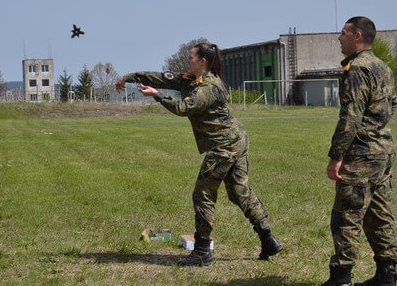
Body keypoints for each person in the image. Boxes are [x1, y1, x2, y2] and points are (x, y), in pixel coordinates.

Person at [114, 42, 282, 266]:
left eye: (191, 57)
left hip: (226, 145)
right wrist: (129, 77)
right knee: (238, 192)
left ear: (203, 61)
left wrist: (156, 96)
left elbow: (184, 108)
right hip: (235, 140)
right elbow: (163, 77)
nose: (187, 60)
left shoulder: (209, 88)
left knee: (203, 193)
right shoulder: (190, 78)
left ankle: (202, 251)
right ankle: (268, 239)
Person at [322, 17, 397, 286]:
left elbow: (350, 117)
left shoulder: (357, 69)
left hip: (362, 155)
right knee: (380, 215)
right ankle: (387, 274)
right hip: (384, 151)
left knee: (346, 216)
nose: (338, 38)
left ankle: (341, 277)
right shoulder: (383, 67)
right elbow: (392, 106)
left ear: (357, 36)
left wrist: (336, 156)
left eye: (342, 33)